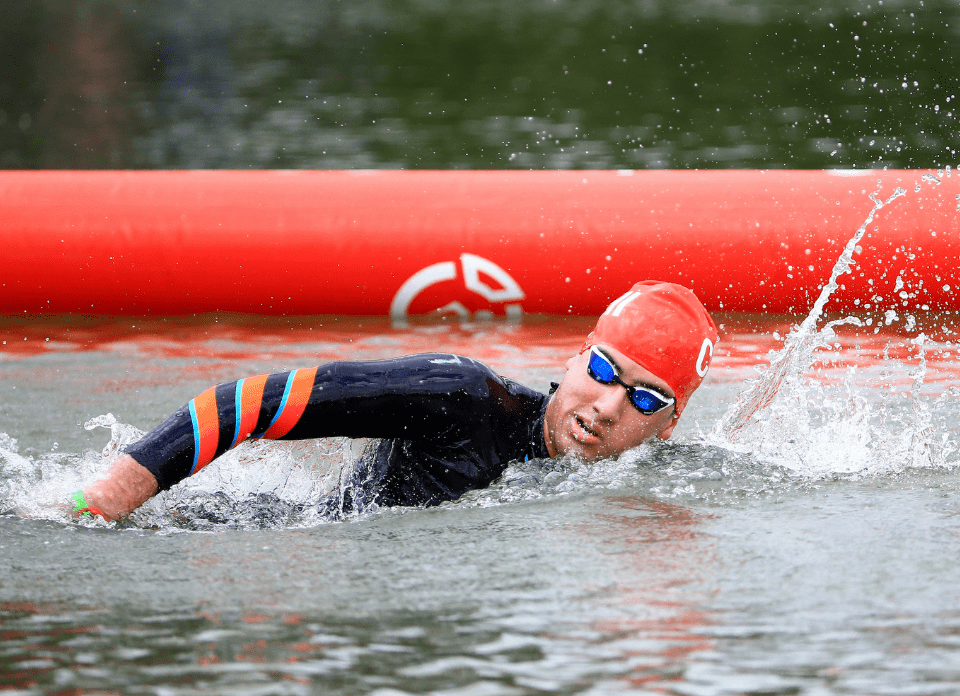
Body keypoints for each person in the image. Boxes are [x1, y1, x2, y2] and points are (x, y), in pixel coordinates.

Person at [71, 281, 718, 521]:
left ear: (669, 424)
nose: (607, 405)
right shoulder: (462, 399)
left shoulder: (664, 487)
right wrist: (101, 502)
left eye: (646, 398)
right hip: (266, 536)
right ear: (579, 353)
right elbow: (249, 401)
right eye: (604, 369)